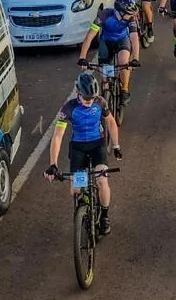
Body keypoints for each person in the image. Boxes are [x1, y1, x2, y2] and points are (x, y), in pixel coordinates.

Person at [45, 71, 121, 236]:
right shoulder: (68, 108)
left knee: (102, 180)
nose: (89, 102)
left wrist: (116, 146)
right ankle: (83, 206)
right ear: (78, 93)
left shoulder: (100, 103)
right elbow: (58, 136)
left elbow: (111, 122)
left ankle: (105, 217)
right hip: (78, 147)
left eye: (92, 98)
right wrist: (53, 164)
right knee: (76, 189)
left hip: (97, 145)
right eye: (86, 98)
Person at [77, 0, 141, 99]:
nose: (131, 16)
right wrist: (82, 57)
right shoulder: (104, 15)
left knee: (124, 62)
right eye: (128, 14)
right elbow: (90, 36)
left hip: (122, 40)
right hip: (106, 41)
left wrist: (135, 58)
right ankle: (106, 89)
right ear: (120, 13)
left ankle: (124, 89)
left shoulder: (131, 18)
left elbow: (134, 38)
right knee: (105, 73)